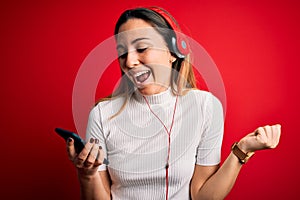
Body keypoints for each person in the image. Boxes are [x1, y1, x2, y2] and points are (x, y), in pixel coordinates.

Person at [66, 7, 281, 200]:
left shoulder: (206, 106)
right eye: (122, 52)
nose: (129, 62)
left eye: (141, 48)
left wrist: (242, 150)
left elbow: (203, 196)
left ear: (173, 52)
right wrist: (87, 174)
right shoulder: (103, 114)